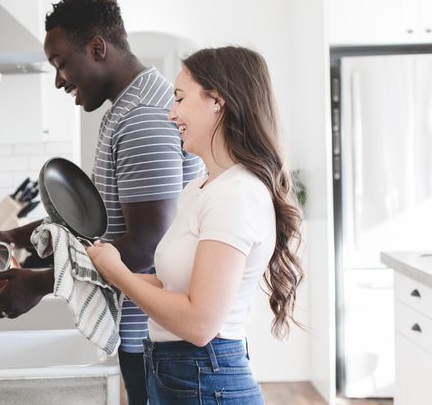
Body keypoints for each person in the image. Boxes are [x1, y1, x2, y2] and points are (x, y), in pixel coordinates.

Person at [0, 0, 203, 405]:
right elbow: (101, 223)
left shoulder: (143, 119)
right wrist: (14, 235)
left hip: (154, 336)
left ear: (98, 48)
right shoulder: (126, 109)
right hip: (143, 331)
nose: (59, 79)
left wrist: (42, 284)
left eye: (61, 63)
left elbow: (146, 245)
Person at [86, 46, 304, 404]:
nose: (171, 115)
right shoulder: (201, 188)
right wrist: (103, 272)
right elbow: (171, 285)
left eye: (179, 98)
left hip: (205, 378)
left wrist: (118, 272)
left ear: (217, 100)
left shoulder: (236, 194)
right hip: (180, 374)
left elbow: (200, 325)